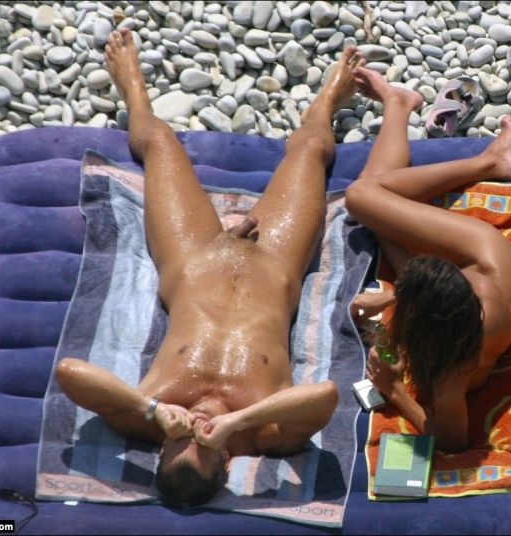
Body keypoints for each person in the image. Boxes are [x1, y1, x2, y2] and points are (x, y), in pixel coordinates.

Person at [55, 29, 365, 506]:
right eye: (204, 444)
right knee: (309, 152)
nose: (196, 428)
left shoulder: (146, 418)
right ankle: (326, 103)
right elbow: (324, 395)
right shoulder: (264, 434)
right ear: (226, 462)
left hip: (193, 256)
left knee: (159, 141)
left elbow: (69, 372)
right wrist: (237, 421)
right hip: (274, 261)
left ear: (161, 450)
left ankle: (132, 86)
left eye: (181, 442)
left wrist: (152, 410)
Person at [345, 67, 511, 454]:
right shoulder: (464, 307)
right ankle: (486, 161)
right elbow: (456, 285)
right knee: (367, 200)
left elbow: (452, 440)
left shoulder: (451, 369)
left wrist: (394, 389)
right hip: (484, 257)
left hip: (482, 271)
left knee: (366, 202)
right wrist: (392, 299)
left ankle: (400, 105)